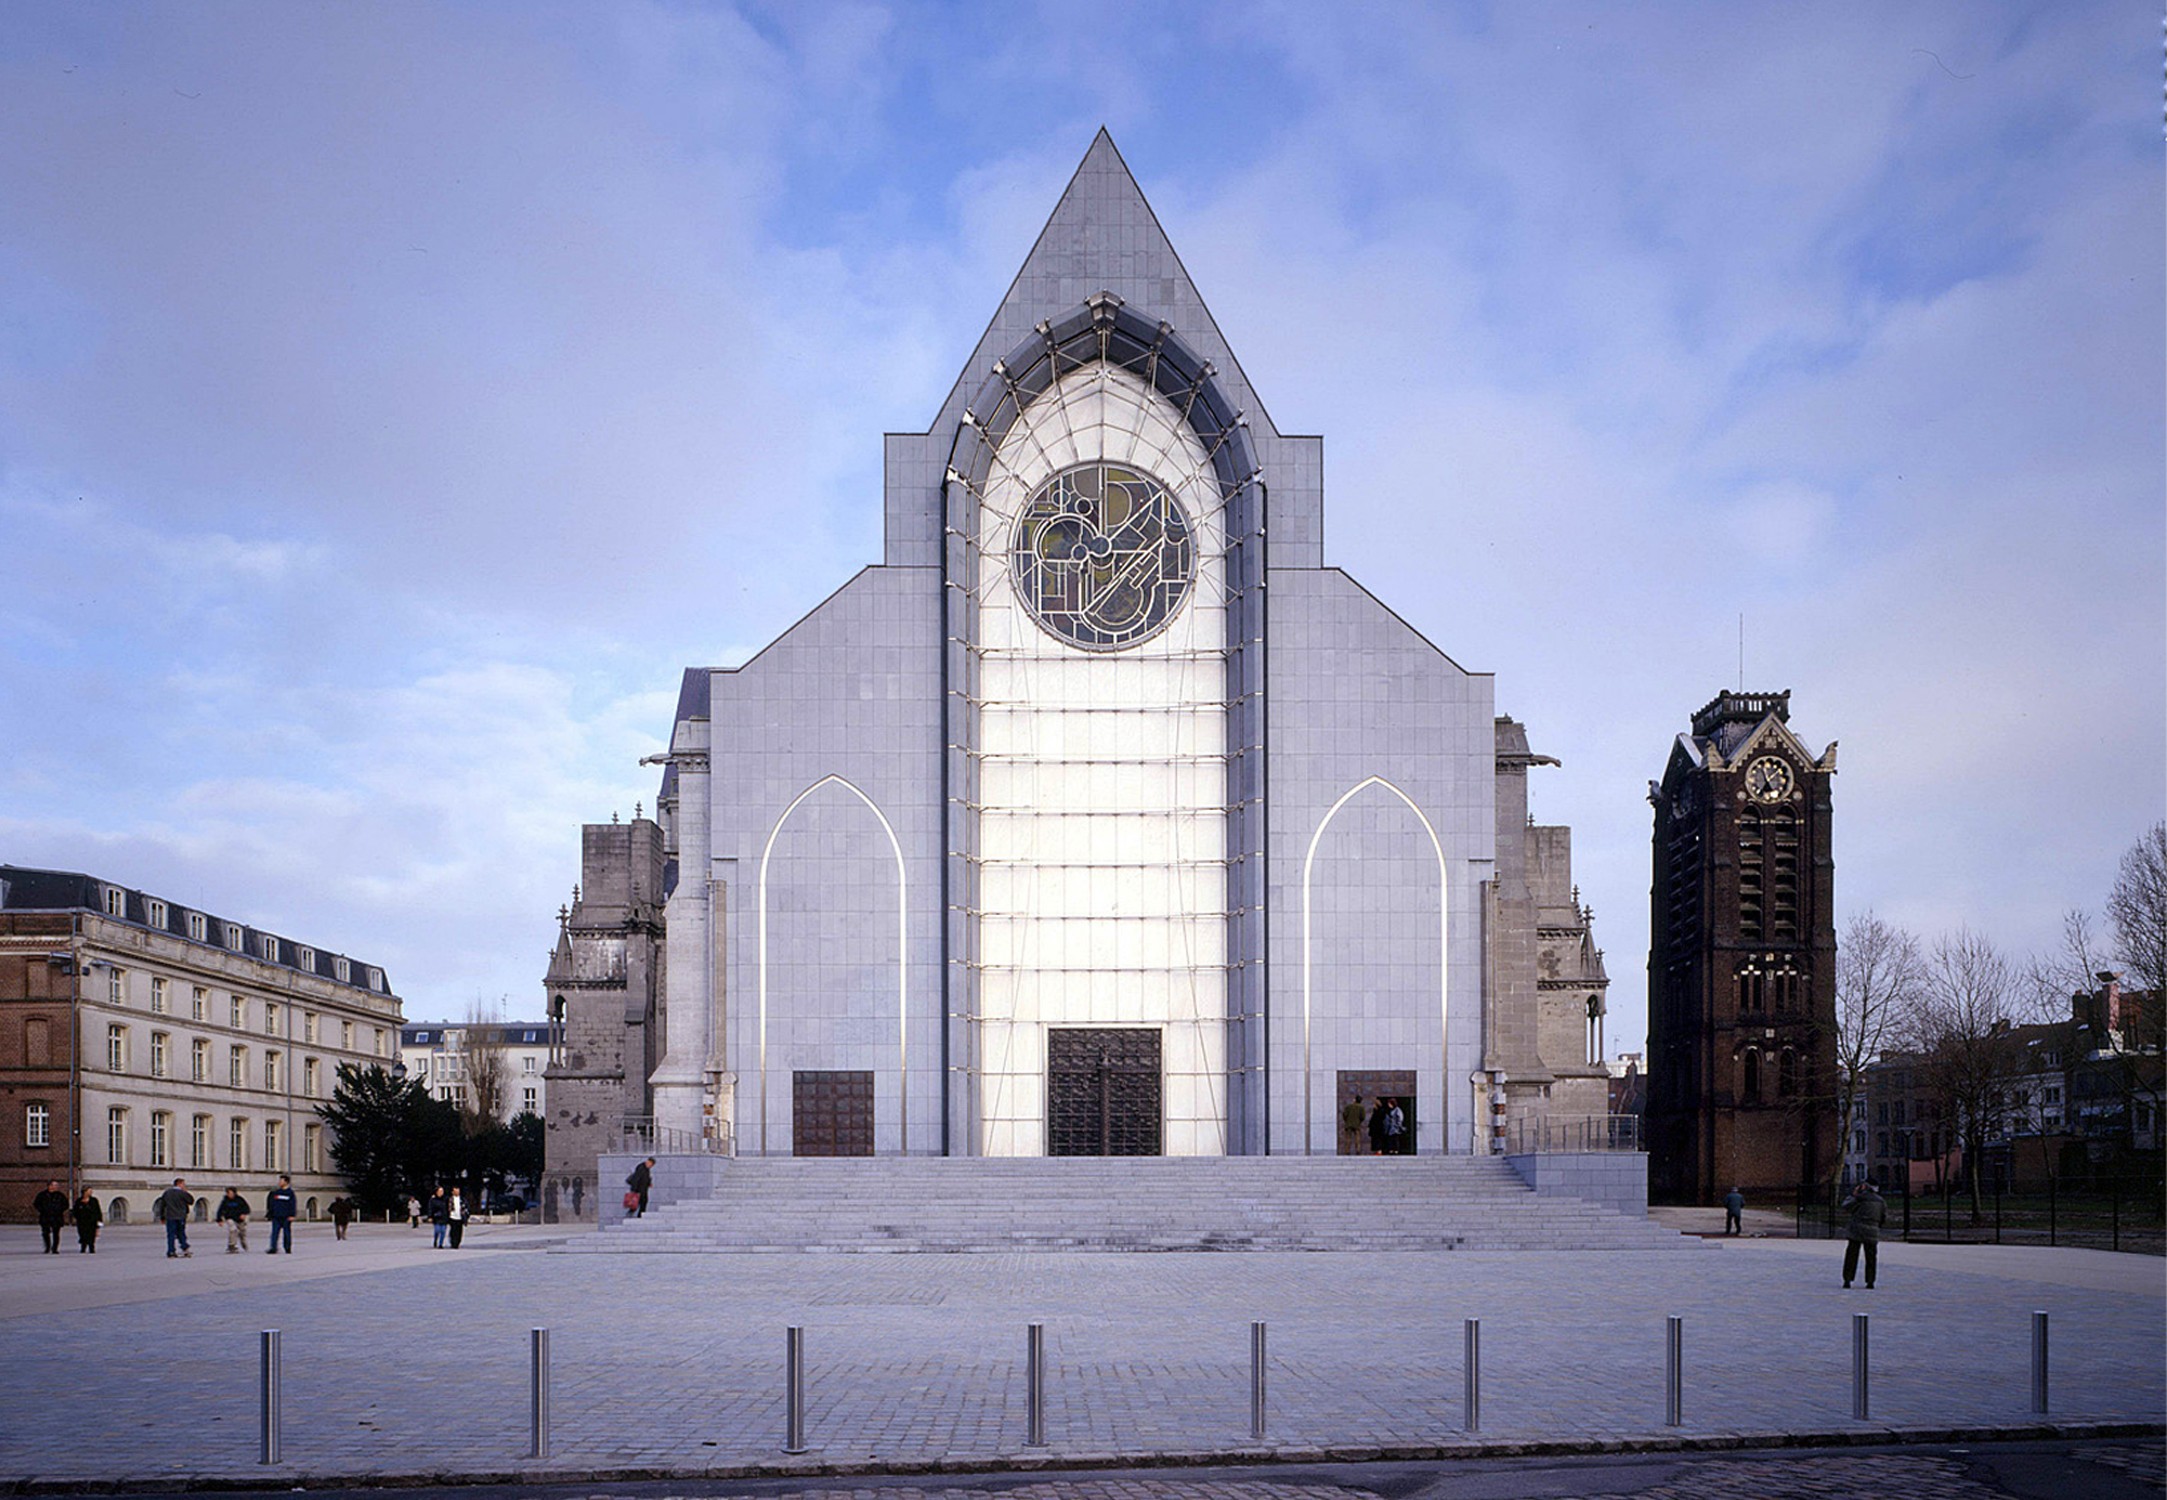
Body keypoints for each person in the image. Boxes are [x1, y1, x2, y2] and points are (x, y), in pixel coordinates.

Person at [1841, 1179, 1886, 1289]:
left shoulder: (1859, 1199)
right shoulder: (1881, 1201)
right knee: (1871, 1257)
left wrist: (1854, 1194)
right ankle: (1870, 1281)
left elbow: (1846, 1206)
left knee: (1851, 1255)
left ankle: (1848, 1279)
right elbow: (1883, 1217)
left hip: (1857, 1229)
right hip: (1872, 1230)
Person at [155, 1178, 195, 1258]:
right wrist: (186, 1192)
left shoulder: (167, 1193)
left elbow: (162, 1205)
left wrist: (162, 1216)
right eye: (183, 1184)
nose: (184, 1186)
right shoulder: (182, 1193)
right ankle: (184, 1248)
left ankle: (171, 1251)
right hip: (180, 1216)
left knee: (171, 1234)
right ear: (179, 1184)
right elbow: (191, 1201)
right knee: (181, 1233)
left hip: (170, 1216)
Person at [32, 1180, 69, 1254]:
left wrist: (59, 1210)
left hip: (57, 1217)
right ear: (49, 1186)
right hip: (45, 1217)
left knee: (56, 1233)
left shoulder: (60, 1195)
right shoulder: (42, 1195)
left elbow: (65, 1204)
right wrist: (43, 1210)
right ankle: (47, 1247)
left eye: (57, 1185)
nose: (56, 1187)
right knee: (45, 1232)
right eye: (54, 1185)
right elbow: (36, 1204)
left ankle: (55, 1248)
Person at [264, 1175, 297, 1254]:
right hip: (276, 1216)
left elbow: (292, 1204)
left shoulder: (290, 1193)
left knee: (287, 1233)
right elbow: (271, 1204)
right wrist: (270, 1214)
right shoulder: (276, 1192)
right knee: (274, 1233)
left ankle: (287, 1248)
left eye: (281, 1181)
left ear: (286, 1182)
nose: (279, 1182)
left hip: (286, 1216)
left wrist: (292, 1215)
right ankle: (273, 1247)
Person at [216, 1187, 251, 1253]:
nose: (230, 1195)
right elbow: (220, 1210)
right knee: (233, 1229)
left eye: (231, 1193)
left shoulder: (239, 1200)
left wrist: (243, 1214)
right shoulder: (225, 1201)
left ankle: (243, 1243)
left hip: (239, 1219)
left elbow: (247, 1208)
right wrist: (219, 1220)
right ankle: (232, 1245)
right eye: (228, 1193)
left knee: (242, 1233)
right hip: (229, 1218)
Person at [71, 1188, 102, 1253]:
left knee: (91, 1234)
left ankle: (91, 1247)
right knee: (82, 1234)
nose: (91, 1192)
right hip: (82, 1221)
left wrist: (99, 1221)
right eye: (89, 1191)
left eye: (91, 1191)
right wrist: (77, 1217)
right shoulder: (79, 1201)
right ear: (84, 1192)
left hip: (92, 1221)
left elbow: (98, 1211)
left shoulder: (94, 1201)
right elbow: (75, 1210)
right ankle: (83, 1247)